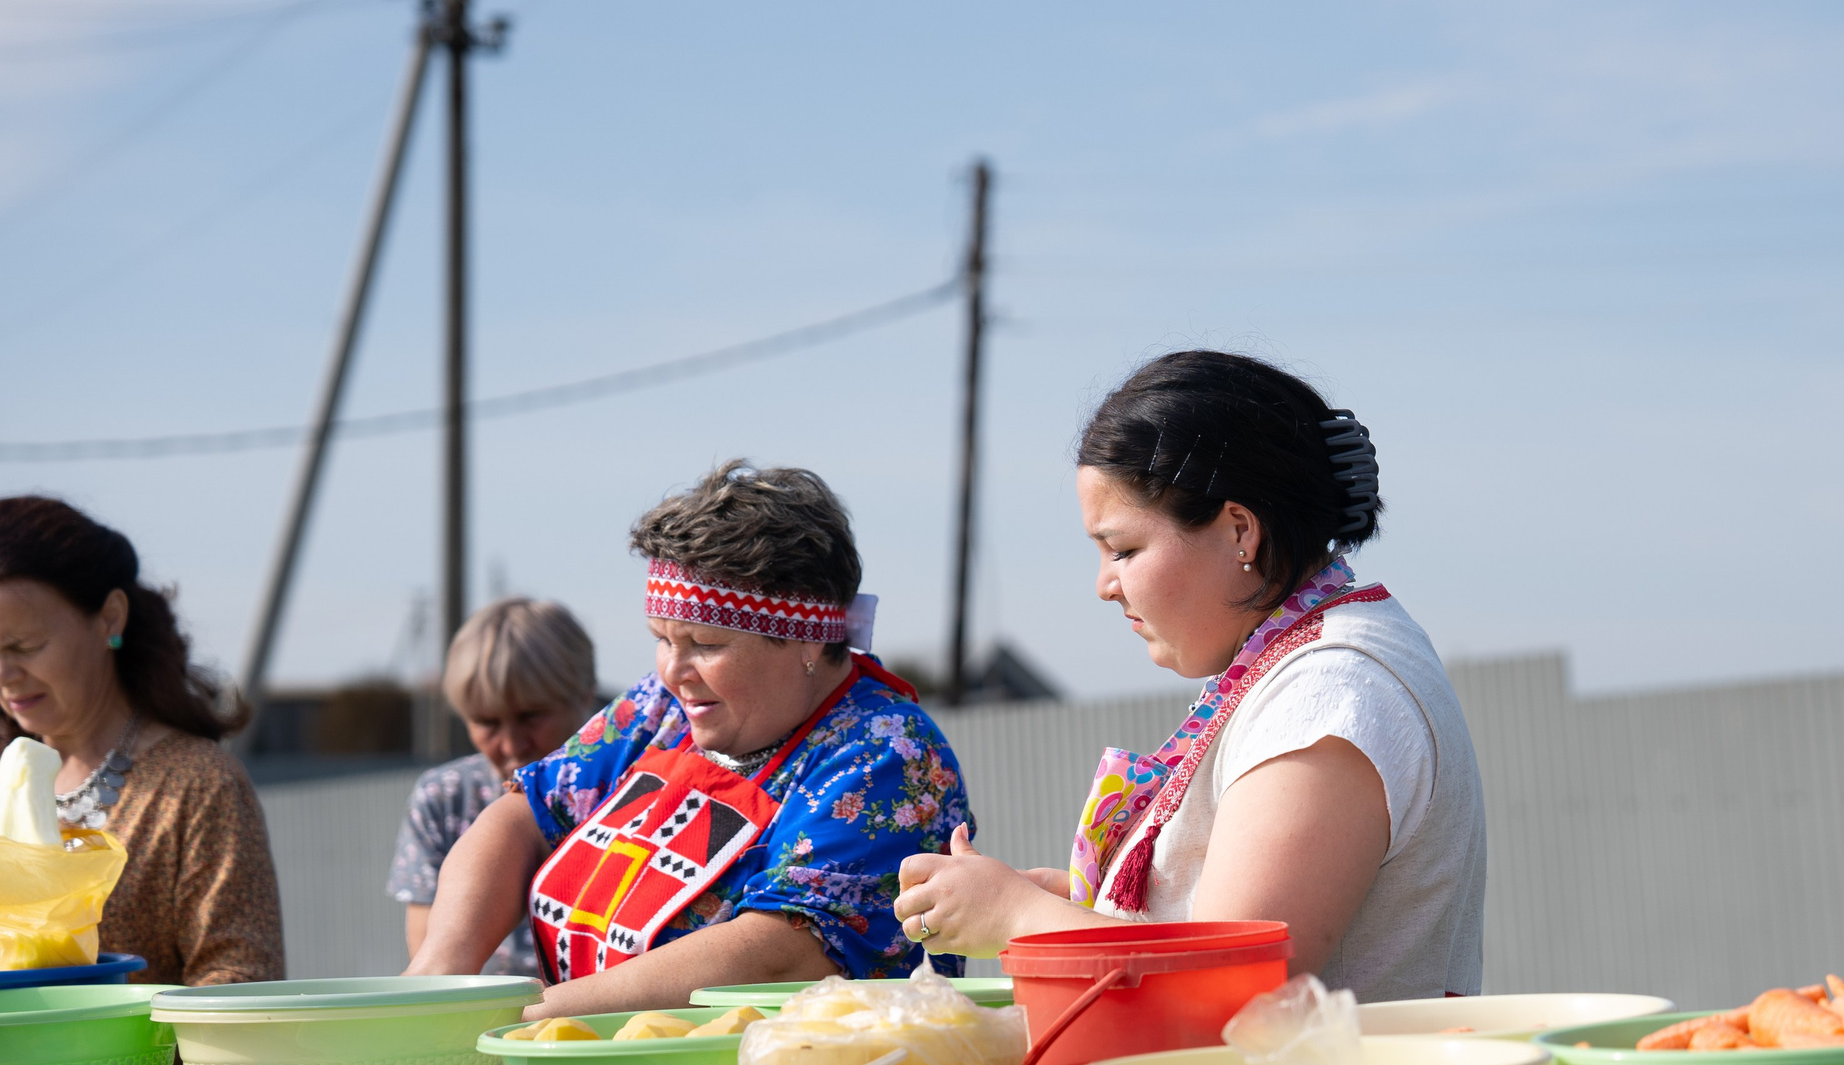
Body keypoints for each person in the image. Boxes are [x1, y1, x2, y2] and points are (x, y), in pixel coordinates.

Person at [893, 351, 1487, 999]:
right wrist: (1064, 904)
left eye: (1123, 550)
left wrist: (1019, 917)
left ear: (1240, 531)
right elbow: (1218, 919)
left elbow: (1234, 980)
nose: (1104, 586)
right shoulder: (1297, 663)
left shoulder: (1330, 692)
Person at [408, 461, 972, 1016]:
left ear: (805, 640)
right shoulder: (660, 711)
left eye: (705, 643)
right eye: (662, 639)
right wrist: (437, 973)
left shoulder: (884, 752)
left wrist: (517, 1018)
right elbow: (523, 815)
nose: (674, 671)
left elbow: (778, 952)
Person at [0, 496, 285, 985]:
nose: (5, 674)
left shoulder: (195, 785)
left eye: (24, 647)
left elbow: (239, 976)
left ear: (110, 617)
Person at [387, 598, 596, 979]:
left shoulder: (634, 789)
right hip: (478, 1014)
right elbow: (430, 959)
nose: (512, 745)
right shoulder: (444, 796)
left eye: (531, 716)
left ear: (584, 694)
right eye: (487, 722)